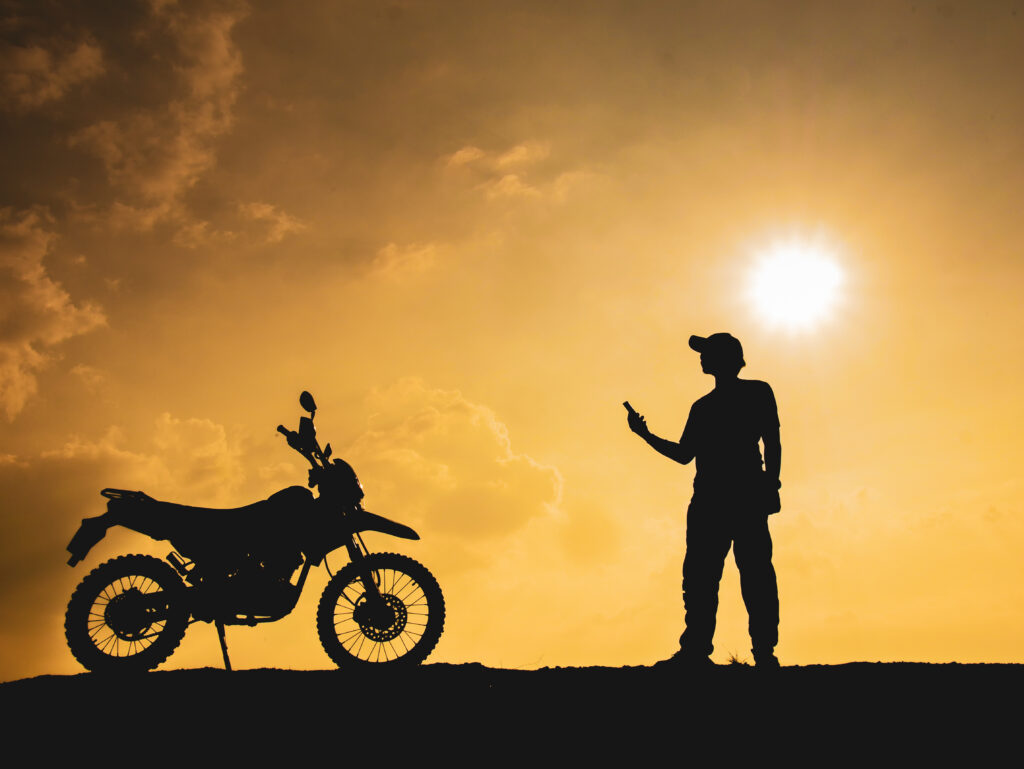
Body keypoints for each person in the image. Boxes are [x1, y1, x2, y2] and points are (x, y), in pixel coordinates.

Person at [627, 332, 781, 668]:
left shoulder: (753, 393)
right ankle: (701, 651)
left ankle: (760, 653)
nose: (700, 357)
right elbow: (685, 455)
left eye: (706, 352)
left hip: (730, 501)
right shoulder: (705, 406)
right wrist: (645, 435)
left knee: (747, 575)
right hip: (717, 502)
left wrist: (771, 483)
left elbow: (772, 441)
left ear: (724, 359)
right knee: (703, 578)